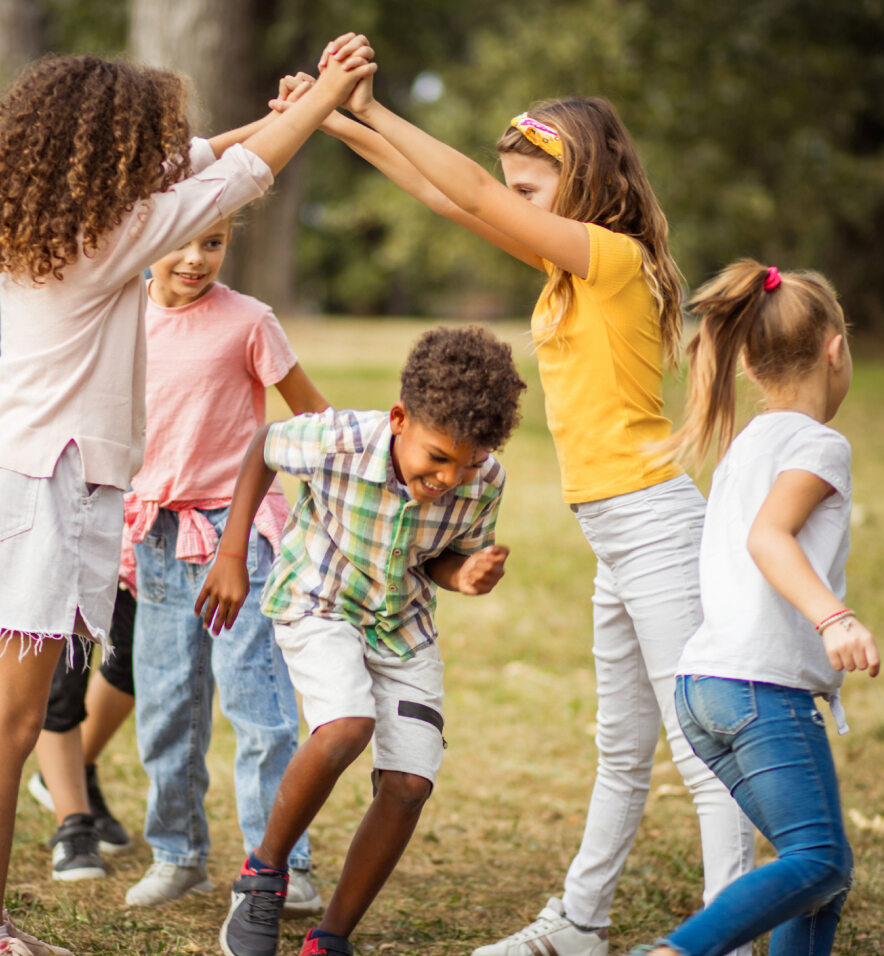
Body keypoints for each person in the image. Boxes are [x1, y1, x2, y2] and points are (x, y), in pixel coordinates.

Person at [277, 42, 755, 956]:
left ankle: (724, 935)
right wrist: (332, 115)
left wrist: (375, 111)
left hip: (653, 522)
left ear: (579, 184)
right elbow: (444, 194)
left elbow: (472, 194)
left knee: (698, 754)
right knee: (621, 749)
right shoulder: (570, 268)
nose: (512, 203)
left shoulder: (612, 257)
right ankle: (580, 924)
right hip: (618, 532)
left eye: (530, 191)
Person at [0, 39, 374, 956]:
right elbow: (238, 177)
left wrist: (289, 109)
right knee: (3, 724)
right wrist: (329, 97)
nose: (168, 152)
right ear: (110, 151)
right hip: (40, 487)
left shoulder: (67, 214)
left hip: (24, 479)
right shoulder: (114, 235)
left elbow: (209, 160)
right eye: (150, 140)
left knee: (2, 720)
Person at [195, 325, 527, 956]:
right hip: (319, 599)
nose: (452, 478)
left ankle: (331, 938)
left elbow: (441, 561)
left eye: (470, 461)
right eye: (438, 457)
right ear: (400, 420)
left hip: (402, 626)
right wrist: (232, 550)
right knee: (347, 726)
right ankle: (264, 874)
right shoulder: (341, 439)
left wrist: (468, 575)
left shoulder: (485, 480)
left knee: (409, 785)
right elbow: (265, 444)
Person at [623, 261, 879, 956]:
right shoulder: (819, 444)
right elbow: (769, 537)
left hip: (702, 690)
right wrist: (834, 617)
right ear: (834, 348)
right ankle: (676, 952)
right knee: (817, 859)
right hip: (759, 692)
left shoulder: (747, 444)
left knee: (819, 869)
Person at [122, 215, 327, 915]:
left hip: (236, 534)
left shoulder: (249, 321)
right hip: (155, 533)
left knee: (257, 706)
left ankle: (284, 865)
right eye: (182, 240)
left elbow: (310, 419)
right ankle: (177, 856)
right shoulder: (119, 316)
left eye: (213, 242)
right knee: (166, 705)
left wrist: (326, 518)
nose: (195, 257)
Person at [0, 274, 137, 878]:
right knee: (8, 719)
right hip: (25, 507)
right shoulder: (3, 290)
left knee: (22, 713)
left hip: (105, 510)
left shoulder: (127, 275)